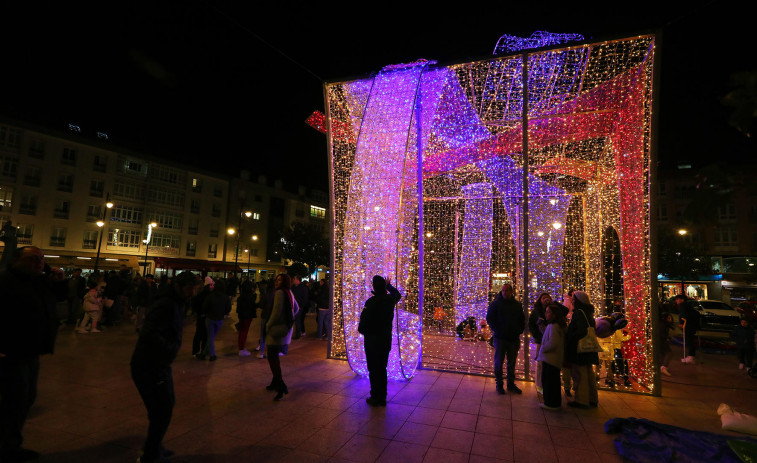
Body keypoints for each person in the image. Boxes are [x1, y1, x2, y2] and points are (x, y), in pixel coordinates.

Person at [131, 271, 198, 463]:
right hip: (150, 364)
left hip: (156, 363)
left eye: (194, 289)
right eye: (189, 289)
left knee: (160, 409)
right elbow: (149, 331)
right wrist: (169, 348)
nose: (191, 293)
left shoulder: (174, 301)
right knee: (164, 408)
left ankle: (153, 446)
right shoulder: (166, 304)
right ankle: (150, 455)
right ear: (178, 286)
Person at [0, 247, 59, 463]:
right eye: (33, 258)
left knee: (26, 398)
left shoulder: (37, 282)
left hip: (31, 351)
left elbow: (52, 302)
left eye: (42, 259)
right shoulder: (5, 282)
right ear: (16, 261)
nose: (39, 262)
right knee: (15, 400)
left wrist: (56, 281)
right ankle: (8, 448)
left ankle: (10, 443)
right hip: (11, 352)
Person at [358, 276, 401, 406]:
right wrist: (389, 285)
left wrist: (365, 331)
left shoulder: (370, 302)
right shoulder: (390, 300)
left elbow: (362, 326)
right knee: (382, 369)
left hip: (372, 342)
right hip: (385, 341)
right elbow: (397, 294)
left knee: (373, 369)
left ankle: (375, 396)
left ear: (374, 287)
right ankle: (382, 397)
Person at [486, 283, 526, 395]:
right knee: (499, 361)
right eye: (503, 290)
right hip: (500, 338)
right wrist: (497, 330)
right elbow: (490, 319)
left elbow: (521, 319)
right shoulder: (495, 304)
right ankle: (499, 384)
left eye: (507, 290)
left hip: (513, 338)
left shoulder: (517, 305)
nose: (505, 292)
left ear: (511, 291)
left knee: (511, 362)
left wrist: (519, 330)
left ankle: (510, 384)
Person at [264, 274, 299, 400]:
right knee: (274, 356)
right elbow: (296, 308)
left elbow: (276, 312)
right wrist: (289, 318)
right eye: (277, 279)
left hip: (275, 330)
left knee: (272, 357)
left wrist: (268, 324)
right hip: (284, 329)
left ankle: (280, 386)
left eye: (280, 280)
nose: (277, 282)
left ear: (285, 282)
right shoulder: (289, 292)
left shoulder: (279, 293)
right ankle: (275, 383)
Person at [565, 290, 599, 409]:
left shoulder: (578, 313)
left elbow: (578, 331)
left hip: (580, 349)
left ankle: (581, 400)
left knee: (580, 375)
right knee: (588, 373)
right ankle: (592, 398)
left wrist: (570, 337)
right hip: (589, 348)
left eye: (574, 299)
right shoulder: (588, 312)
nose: (572, 301)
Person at [537, 302, 568, 410]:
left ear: (554, 314)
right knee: (552, 381)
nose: (546, 314)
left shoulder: (554, 327)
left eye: (548, 312)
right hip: (553, 359)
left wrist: (543, 348)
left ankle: (551, 403)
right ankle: (554, 402)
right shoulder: (554, 326)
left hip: (550, 358)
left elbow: (553, 343)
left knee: (549, 381)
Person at [197, 280, 231, 361]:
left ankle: (210, 355)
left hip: (210, 318)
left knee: (210, 337)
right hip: (219, 319)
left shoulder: (210, 296)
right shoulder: (225, 297)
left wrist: (205, 312)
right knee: (211, 337)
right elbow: (228, 309)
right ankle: (206, 354)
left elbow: (204, 306)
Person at [528, 292, 552, 400]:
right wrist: (536, 335)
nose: (545, 299)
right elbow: (531, 325)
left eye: (547, 298)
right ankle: (539, 386)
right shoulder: (536, 311)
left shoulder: (553, 310)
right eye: (543, 298)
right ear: (540, 300)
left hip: (551, 341)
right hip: (540, 341)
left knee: (548, 364)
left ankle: (546, 385)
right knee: (540, 363)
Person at [236, 279, 258, 356]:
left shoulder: (241, 297)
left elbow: (238, 309)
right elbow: (253, 306)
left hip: (242, 316)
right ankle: (242, 349)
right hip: (247, 316)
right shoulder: (250, 296)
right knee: (244, 332)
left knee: (242, 332)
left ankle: (241, 347)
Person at [676, 294, 700, 364]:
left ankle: (691, 356)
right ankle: (691, 356)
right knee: (690, 340)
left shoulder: (682, 305)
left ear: (682, 299)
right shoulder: (687, 305)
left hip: (688, 325)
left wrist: (682, 323)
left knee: (689, 340)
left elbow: (683, 315)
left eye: (678, 299)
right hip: (692, 325)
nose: (676, 301)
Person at [659, 313, 675, 377]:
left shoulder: (665, 325)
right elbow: (661, 334)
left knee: (663, 354)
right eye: (668, 318)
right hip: (661, 341)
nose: (670, 320)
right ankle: (663, 367)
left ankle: (661, 366)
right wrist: (668, 338)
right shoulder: (663, 325)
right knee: (669, 353)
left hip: (662, 341)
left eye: (670, 318)